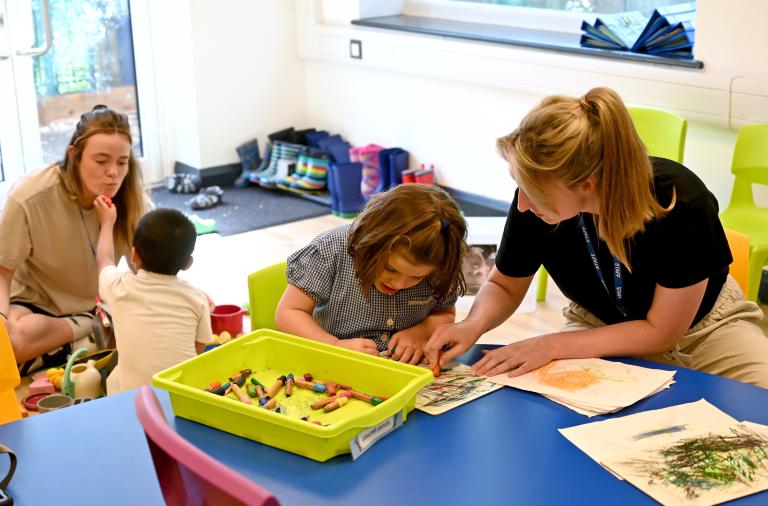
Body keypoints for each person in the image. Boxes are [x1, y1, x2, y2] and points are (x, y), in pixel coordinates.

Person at [425, 87, 768, 388]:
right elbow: (504, 285)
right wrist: (473, 325)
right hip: (597, 325)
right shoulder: (535, 204)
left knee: (758, 404)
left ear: (586, 184)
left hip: (705, 329)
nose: (523, 204)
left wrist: (551, 345)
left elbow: (661, 333)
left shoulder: (681, 204)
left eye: (532, 190)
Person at [0, 105, 149, 372]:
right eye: (101, 161)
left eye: (122, 162)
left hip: (98, 304)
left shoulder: (132, 198)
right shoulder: (28, 196)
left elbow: (146, 269)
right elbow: (2, 273)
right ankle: (91, 335)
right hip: (38, 307)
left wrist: (178, 293)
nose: (113, 172)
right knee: (8, 343)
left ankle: (75, 345)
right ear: (74, 156)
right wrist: (1, 320)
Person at [275, 184, 468, 365]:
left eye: (417, 277)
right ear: (370, 245)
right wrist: (335, 346)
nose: (400, 284)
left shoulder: (440, 262)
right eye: (391, 269)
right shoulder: (331, 250)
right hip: (332, 363)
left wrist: (423, 330)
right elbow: (288, 313)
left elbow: (444, 312)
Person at [93, 204, 213, 394]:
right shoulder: (197, 299)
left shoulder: (119, 287)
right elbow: (198, 350)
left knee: (113, 373)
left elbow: (104, 261)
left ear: (133, 255)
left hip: (131, 401)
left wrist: (107, 222)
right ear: (187, 264)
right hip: (180, 400)